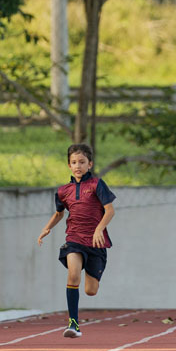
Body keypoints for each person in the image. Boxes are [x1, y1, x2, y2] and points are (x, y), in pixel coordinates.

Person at [37, 144, 116, 338]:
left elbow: (110, 210)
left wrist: (99, 229)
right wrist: (46, 228)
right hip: (74, 238)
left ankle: (94, 272)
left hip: (96, 243)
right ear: (69, 165)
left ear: (90, 164)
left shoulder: (97, 184)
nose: (78, 166)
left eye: (82, 162)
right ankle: (73, 323)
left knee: (90, 290)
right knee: (73, 275)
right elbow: (58, 213)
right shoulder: (64, 191)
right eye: (74, 162)